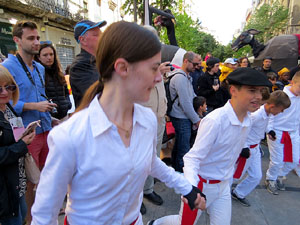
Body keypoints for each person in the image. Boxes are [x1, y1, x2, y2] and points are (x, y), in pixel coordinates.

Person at [31, 21, 206, 225]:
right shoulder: (69, 137)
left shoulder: (147, 119)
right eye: (153, 68)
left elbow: (149, 161)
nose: (159, 78)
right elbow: (44, 216)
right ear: (122, 67)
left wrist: (186, 188)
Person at [150, 67, 272, 225]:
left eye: (261, 91)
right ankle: (155, 224)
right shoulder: (215, 121)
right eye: (252, 90)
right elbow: (192, 158)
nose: (258, 96)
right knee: (183, 223)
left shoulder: (248, 120)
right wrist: (191, 189)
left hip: (223, 187)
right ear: (233, 90)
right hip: (202, 186)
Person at [1, 20, 56, 223]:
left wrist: (50, 114)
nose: (36, 42)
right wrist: (35, 107)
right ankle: (29, 219)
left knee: (43, 178)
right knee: (27, 182)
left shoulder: (40, 68)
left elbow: (40, 96)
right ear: (17, 40)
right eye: (31, 38)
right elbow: (6, 102)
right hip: (25, 134)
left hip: (45, 128)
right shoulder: (7, 67)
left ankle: (40, 216)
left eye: (38, 38)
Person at [232, 90, 290, 207]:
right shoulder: (256, 115)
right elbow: (241, 129)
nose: (282, 112)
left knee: (256, 176)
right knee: (234, 175)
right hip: (246, 150)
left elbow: (267, 123)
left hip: (255, 148)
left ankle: (238, 193)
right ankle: (218, 196)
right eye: (281, 109)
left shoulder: (268, 114)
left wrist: (270, 131)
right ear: (273, 106)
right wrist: (244, 147)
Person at [0, 65, 36, 225]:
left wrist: (25, 134)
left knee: (22, 218)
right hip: (5, 190)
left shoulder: (7, 108)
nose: (5, 92)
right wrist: (21, 145)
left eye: (9, 87)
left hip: (17, 183)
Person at [265, 71, 300, 195]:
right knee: (277, 159)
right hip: (277, 131)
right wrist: (269, 129)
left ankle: (280, 175)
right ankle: (271, 179)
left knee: (295, 160)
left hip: (294, 132)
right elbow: (270, 113)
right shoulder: (282, 95)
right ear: (292, 82)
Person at [168, 51, 201, 172]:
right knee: (184, 148)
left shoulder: (186, 77)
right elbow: (185, 103)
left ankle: (176, 169)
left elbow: (191, 97)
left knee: (180, 145)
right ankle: (181, 173)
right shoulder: (180, 78)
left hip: (183, 116)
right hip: (180, 117)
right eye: (195, 64)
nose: (197, 67)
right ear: (186, 61)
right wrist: (196, 120)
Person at [70, 19, 107, 108]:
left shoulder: (99, 60)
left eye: (101, 33)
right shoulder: (80, 65)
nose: (102, 37)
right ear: (83, 40)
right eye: (96, 35)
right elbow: (97, 95)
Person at [35, 43, 72, 120]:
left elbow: (66, 92)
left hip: (64, 115)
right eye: (45, 55)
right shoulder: (37, 74)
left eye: (51, 54)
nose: (49, 57)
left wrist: (67, 104)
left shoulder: (59, 73)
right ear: (39, 57)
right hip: (49, 118)